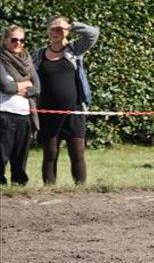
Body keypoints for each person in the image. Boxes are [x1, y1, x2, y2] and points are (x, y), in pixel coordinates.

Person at [32, 16, 99, 185]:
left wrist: (71, 26)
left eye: (59, 29)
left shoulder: (75, 50)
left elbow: (93, 34)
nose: (55, 32)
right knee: (50, 154)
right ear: (47, 31)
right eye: (52, 29)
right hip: (47, 113)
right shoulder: (38, 54)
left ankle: (80, 190)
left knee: (77, 153)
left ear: (67, 31)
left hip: (74, 111)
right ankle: (49, 190)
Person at [0, 25, 40, 186]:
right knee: (1, 155)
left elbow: (37, 88)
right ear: (4, 40)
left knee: (21, 156)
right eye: (14, 40)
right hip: (4, 114)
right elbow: (5, 87)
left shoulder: (28, 61)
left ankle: (19, 185)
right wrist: (26, 83)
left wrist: (20, 87)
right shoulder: (1, 59)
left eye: (22, 40)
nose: (18, 43)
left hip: (24, 116)